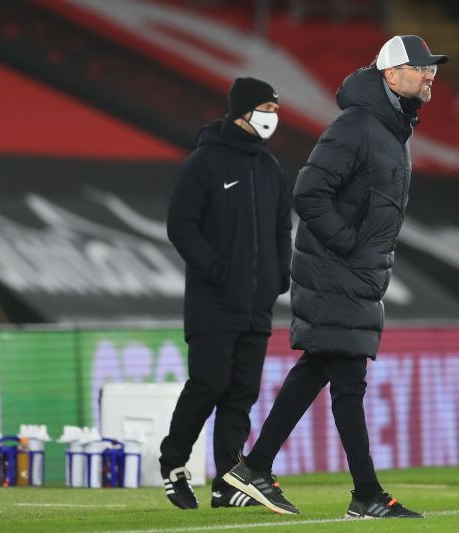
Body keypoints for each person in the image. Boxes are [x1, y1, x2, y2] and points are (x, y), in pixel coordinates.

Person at [223, 35, 447, 519]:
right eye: (421, 67)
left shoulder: (391, 129)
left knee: (319, 370)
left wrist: (362, 255)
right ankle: (365, 495)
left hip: (355, 272)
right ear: (391, 74)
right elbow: (308, 193)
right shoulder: (358, 125)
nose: (431, 75)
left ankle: (255, 468)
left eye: (434, 68)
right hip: (336, 269)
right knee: (348, 379)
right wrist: (349, 246)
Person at [160, 77, 292, 510]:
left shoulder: (271, 168)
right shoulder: (205, 161)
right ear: (242, 112)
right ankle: (174, 463)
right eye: (266, 110)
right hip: (213, 303)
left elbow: (279, 230)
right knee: (209, 384)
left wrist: (279, 277)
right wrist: (218, 271)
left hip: (257, 306)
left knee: (240, 394)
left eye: (276, 111)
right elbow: (181, 224)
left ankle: (228, 481)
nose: (273, 118)